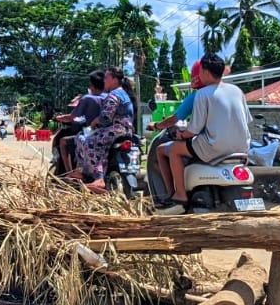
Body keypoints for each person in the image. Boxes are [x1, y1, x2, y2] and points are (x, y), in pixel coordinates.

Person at [163, 54, 251, 209]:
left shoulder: (202, 94)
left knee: (174, 150)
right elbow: (246, 120)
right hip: (242, 148)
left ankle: (180, 194)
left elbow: (193, 129)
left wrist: (181, 135)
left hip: (214, 147)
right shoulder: (237, 90)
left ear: (205, 72)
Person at [148, 60, 207, 204]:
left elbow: (174, 119)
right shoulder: (231, 93)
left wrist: (157, 126)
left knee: (164, 150)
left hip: (208, 144)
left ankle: (176, 194)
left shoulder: (197, 96)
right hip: (238, 146)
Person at [75, 66, 137, 191]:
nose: (104, 81)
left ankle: (98, 178)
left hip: (116, 130)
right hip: (125, 131)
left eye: (106, 78)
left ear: (114, 80)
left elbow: (105, 117)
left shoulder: (114, 94)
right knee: (95, 140)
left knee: (88, 141)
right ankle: (84, 173)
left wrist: (94, 122)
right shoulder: (123, 93)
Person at [55, 72, 106, 177]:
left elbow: (71, 117)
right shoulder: (110, 97)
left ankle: (70, 173)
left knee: (63, 141)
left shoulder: (87, 98)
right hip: (107, 133)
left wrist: (58, 118)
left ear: (92, 85)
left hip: (93, 132)